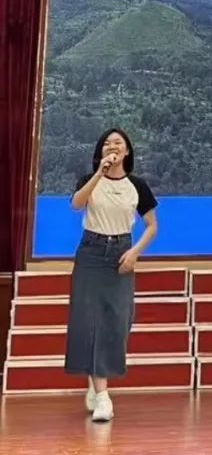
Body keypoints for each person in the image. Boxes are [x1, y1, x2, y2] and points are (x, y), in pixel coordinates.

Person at [67, 128, 159, 422]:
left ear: (127, 150)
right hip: (92, 252)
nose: (112, 146)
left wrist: (135, 253)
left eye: (118, 143)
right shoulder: (90, 180)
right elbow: (76, 205)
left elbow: (152, 226)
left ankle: (96, 381)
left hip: (121, 251)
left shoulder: (137, 186)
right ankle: (103, 396)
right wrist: (99, 173)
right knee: (91, 320)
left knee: (117, 321)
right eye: (107, 143)